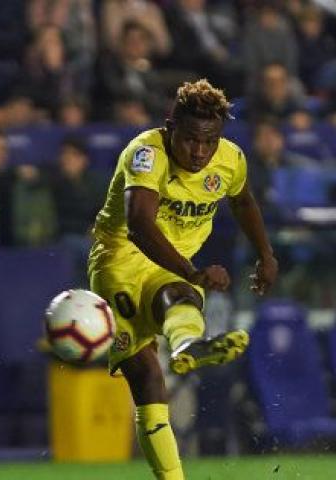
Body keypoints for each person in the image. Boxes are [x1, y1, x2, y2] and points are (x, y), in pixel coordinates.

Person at [88, 79, 278, 479]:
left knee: (179, 296)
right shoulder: (146, 153)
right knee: (147, 377)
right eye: (191, 139)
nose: (200, 152)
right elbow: (139, 225)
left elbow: (243, 201)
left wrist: (265, 254)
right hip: (120, 259)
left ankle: (188, 344)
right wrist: (192, 272)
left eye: (209, 141)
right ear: (170, 126)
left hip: (172, 264)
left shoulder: (230, 159)